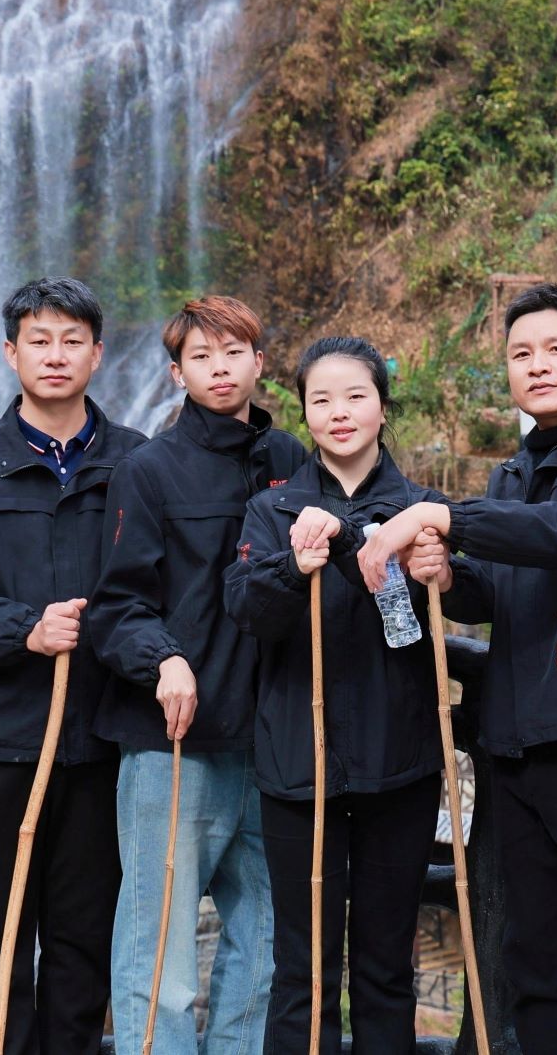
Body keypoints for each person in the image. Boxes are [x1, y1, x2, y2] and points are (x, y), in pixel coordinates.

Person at [365, 281, 557, 1054]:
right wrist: (447, 574)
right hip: (513, 747)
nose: (536, 365)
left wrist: (443, 515)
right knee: (531, 967)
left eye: (555, 348)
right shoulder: (514, 471)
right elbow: (496, 592)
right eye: (520, 353)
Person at [0, 278, 148, 1055]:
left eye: (72, 340)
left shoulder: (137, 461)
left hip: (103, 743)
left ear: (98, 354)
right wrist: (25, 629)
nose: (56, 355)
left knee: (84, 953)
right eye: (39, 340)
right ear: (10, 352)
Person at [87, 295, 306, 1055]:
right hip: (173, 743)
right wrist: (164, 657)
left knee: (267, 948)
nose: (220, 369)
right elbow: (116, 606)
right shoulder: (147, 470)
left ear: (259, 361)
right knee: (161, 953)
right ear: (177, 373)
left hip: (274, 742)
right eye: (202, 357)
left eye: (234, 352)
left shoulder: (291, 462)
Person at [225, 336, 444, 1055]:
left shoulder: (422, 509)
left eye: (355, 395)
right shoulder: (273, 510)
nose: (339, 412)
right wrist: (294, 566)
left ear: (383, 405)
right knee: (303, 967)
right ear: (304, 413)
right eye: (321, 399)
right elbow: (246, 611)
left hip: (400, 766)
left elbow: (452, 607)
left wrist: (421, 561)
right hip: (299, 766)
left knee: (385, 966)